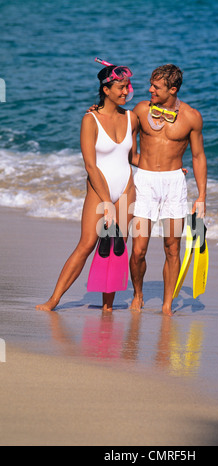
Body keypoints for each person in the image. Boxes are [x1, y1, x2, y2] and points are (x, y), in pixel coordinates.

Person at [36, 64, 139, 312]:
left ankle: (107, 306)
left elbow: (133, 157)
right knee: (87, 243)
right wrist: (106, 204)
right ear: (106, 89)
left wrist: (167, 168)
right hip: (99, 189)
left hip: (126, 188)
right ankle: (53, 301)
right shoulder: (90, 120)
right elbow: (90, 166)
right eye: (121, 87)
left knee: (118, 247)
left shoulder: (131, 118)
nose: (126, 91)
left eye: (127, 87)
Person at [129, 64, 207, 316]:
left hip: (174, 185)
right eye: (150, 84)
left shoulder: (192, 117)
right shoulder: (141, 110)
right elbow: (120, 137)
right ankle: (138, 293)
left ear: (173, 89)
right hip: (144, 183)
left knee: (172, 247)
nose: (150, 89)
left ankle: (166, 305)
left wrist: (202, 196)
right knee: (138, 250)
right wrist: (96, 108)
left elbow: (198, 156)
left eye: (156, 87)